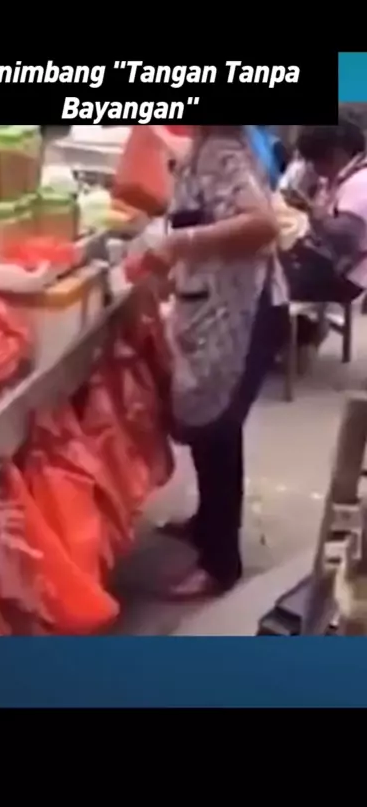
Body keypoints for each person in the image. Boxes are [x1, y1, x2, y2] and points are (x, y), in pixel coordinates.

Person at [129, 126, 288, 599]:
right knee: (208, 427)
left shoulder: (220, 151)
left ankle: (220, 562)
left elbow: (262, 225)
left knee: (218, 430)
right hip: (217, 305)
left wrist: (180, 244)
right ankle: (207, 522)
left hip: (241, 310)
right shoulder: (207, 146)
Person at [281, 119, 367, 335]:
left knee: (269, 283)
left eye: (316, 159)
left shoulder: (360, 183)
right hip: (330, 262)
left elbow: (344, 242)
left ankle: (300, 335)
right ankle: (301, 332)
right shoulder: (338, 178)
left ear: (336, 154)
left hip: (346, 276)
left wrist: (312, 212)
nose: (314, 167)